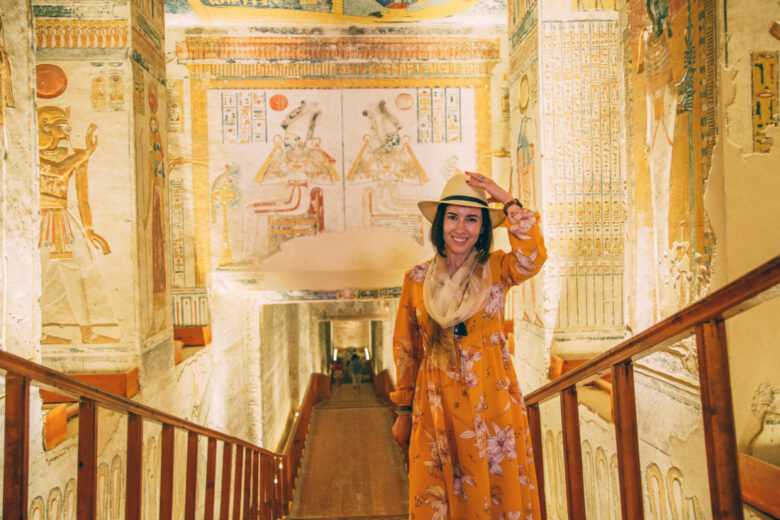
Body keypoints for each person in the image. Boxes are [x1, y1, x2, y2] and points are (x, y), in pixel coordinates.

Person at [390, 172, 547, 519]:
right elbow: (407, 347)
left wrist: (506, 200)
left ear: (482, 229)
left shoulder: (496, 269)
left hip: (491, 402)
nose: (461, 228)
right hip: (435, 404)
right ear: (440, 223)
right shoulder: (416, 279)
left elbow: (533, 256)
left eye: (472, 219)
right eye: (453, 217)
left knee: (495, 491)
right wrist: (402, 410)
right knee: (437, 496)